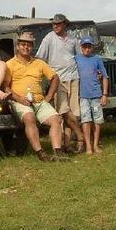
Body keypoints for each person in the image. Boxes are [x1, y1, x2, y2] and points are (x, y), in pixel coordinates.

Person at [3, 32, 66, 162]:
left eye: (29, 45)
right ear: (17, 47)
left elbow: (55, 77)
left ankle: (58, 152)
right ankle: (40, 152)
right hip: (19, 101)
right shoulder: (9, 64)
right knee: (29, 117)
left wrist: (49, 95)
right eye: (23, 44)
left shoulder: (39, 63)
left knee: (56, 120)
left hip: (39, 101)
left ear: (32, 47)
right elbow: (5, 87)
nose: (26, 47)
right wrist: (19, 99)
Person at [36, 13, 86, 153]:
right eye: (54, 24)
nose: (55, 26)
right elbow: (40, 58)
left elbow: (79, 58)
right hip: (58, 79)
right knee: (64, 111)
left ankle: (67, 144)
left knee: (73, 113)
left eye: (58, 23)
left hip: (74, 77)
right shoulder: (49, 38)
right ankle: (81, 137)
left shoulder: (73, 39)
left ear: (65, 24)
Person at [75, 36, 109, 155]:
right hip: (83, 96)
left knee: (97, 120)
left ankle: (95, 145)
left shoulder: (97, 59)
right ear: (81, 47)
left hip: (96, 94)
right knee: (85, 120)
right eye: (85, 46)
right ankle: (88, 146)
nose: (87, 49)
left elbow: (105, 76)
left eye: (89, 47)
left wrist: (104, 94)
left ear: (93, 48)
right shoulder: (77, 58)